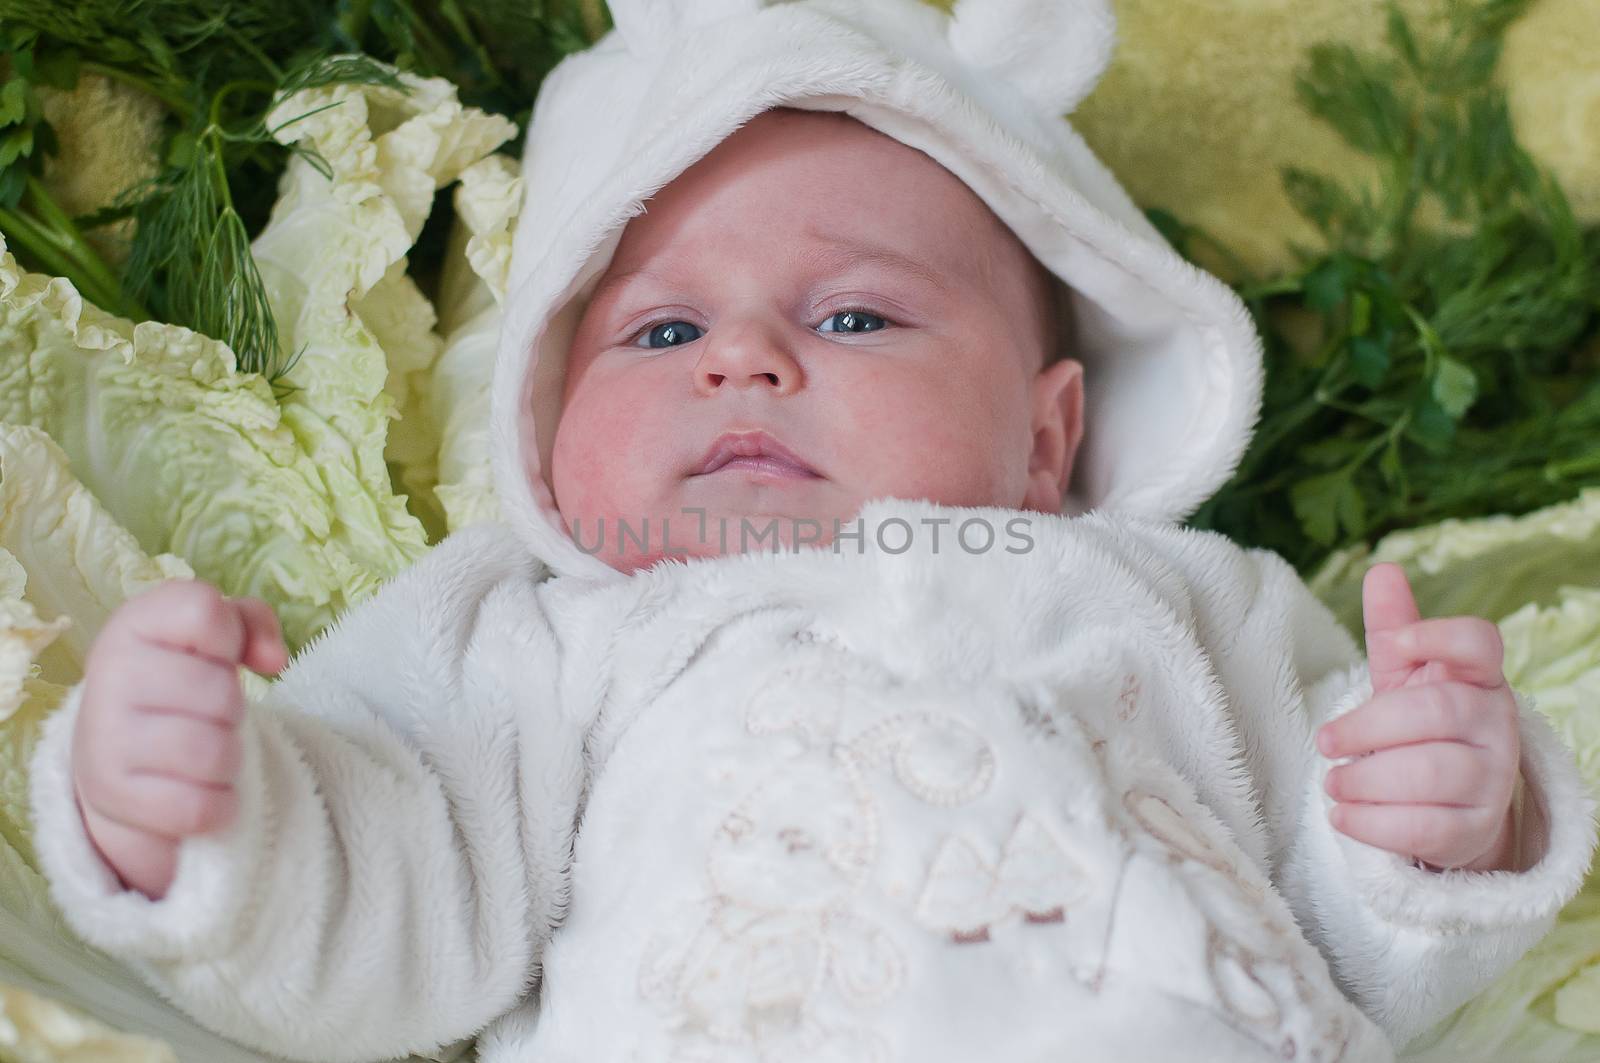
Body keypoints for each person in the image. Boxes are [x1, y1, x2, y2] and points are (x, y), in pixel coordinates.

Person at [29, 0, 1598, 1060]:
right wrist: (211, 806)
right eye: (654, 337)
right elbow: (392, 893)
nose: (744, 359)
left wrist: (1432, 824)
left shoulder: (1187, 601)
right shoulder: (537, 631)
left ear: (1047, 438)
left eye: (855, 314)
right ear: (547, 431)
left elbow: (1350, 941)